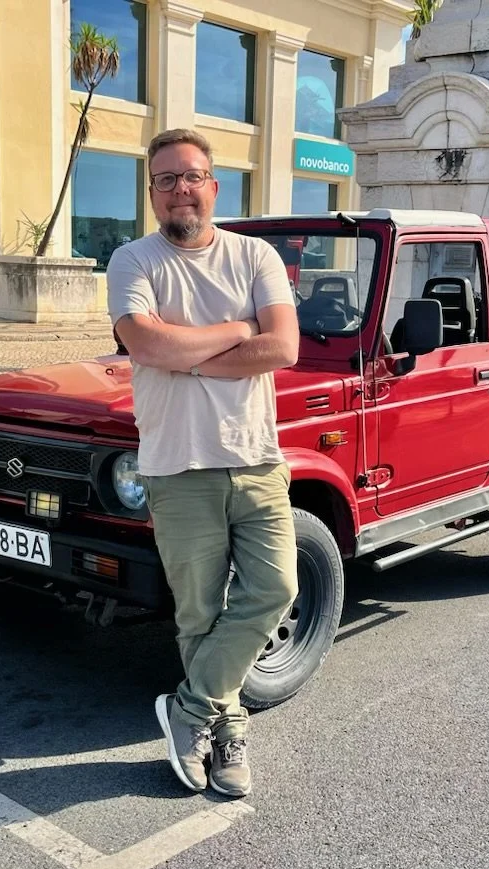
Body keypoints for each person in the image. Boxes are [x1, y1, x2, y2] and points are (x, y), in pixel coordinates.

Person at [106, 128, 300, 798]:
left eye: (192, 176)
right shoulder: (132, 260)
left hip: (256, 459)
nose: (180, 189)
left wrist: (186, 356)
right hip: (176, 465)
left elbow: (284, 347)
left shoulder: (255, 257)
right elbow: (144, 340)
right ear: (153, 194)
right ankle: (227, 733)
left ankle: (187, 710)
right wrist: (236, 333)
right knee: (199, 616)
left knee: (276, 589)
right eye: (166, 180)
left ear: (214, 186)